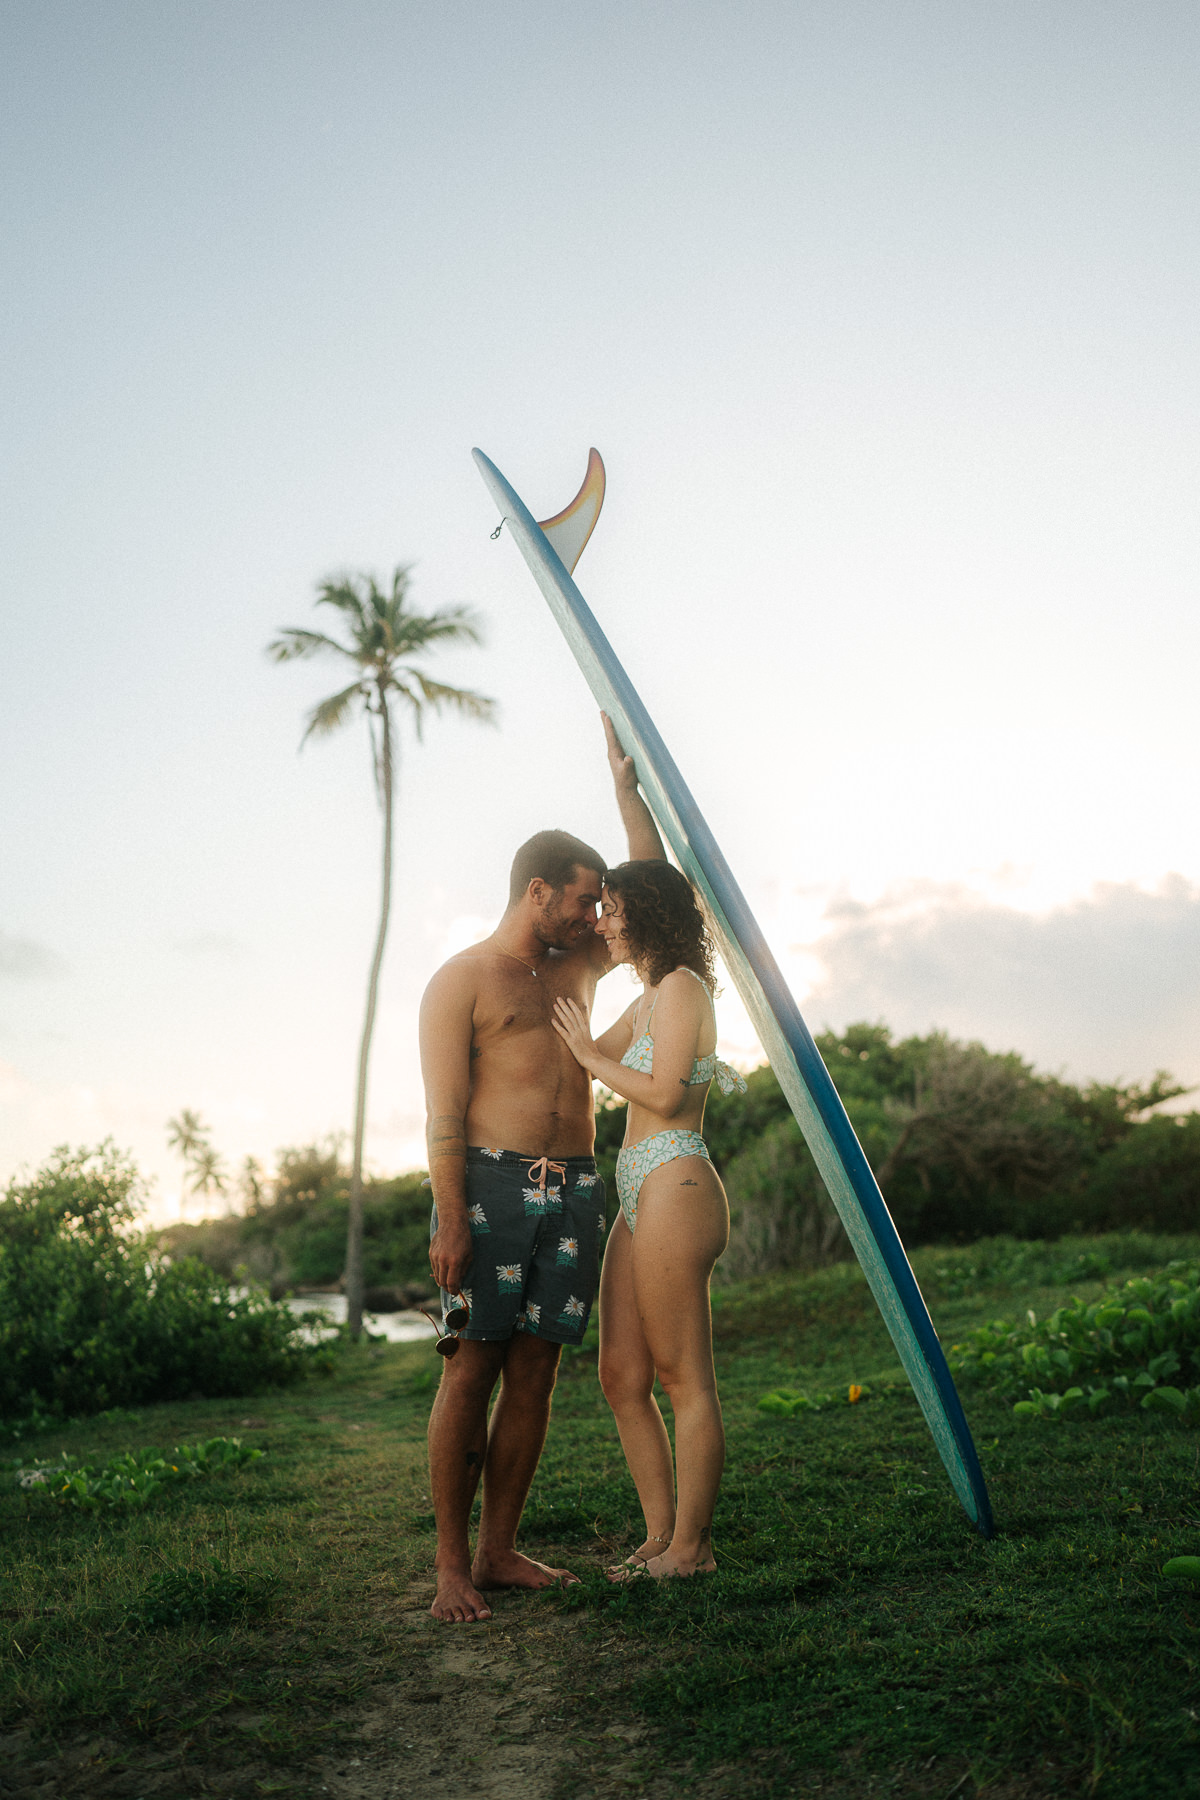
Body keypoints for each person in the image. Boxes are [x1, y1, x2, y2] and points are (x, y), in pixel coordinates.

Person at [419, 715, 665, 1623]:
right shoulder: (464, 979)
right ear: (537, 892)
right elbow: (444, 1111)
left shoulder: (581, 967)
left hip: (576, 1189)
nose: (598, 915)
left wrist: (626, 795)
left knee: (535, 1373)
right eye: (583, 899)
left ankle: (497, 1551)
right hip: (488, 1185)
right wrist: (450, 1216)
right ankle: (450, 1565)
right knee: (470, 1369)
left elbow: (650, 886)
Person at [552, 858, 745, 1580]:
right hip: (638, 1186)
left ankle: (693, 1550)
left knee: (682, 1375)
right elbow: (588, 1052)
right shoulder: (652, 994)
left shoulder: (685, 990)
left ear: (645, 913)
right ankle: (661, 1537)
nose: (601, 920)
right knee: (620, 1373)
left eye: (610, 907)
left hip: (676, 1175)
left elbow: (663, 1096)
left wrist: (587, 1060)